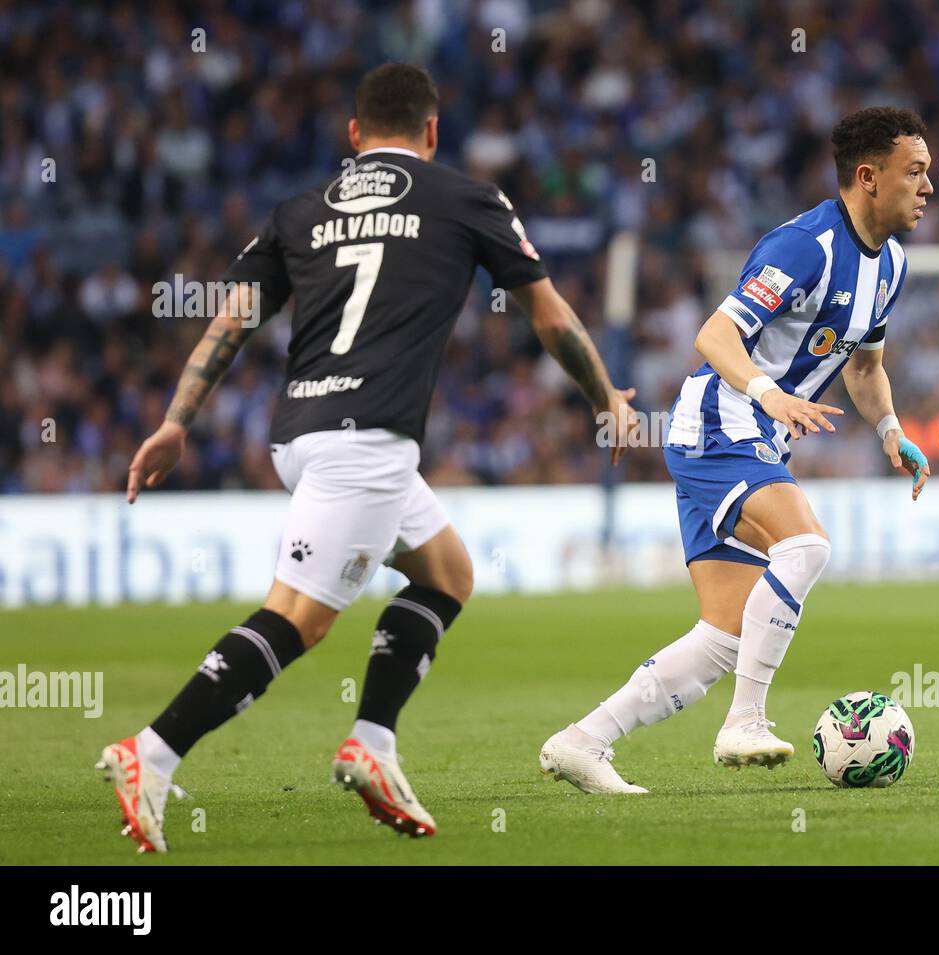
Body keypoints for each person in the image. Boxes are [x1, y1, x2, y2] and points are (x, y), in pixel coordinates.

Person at [99, 63, 636, 850]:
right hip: (370, 438)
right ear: (433, 131)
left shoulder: (300, 210)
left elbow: (229, 323)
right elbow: (548, 316)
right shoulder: (465, 199)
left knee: (447, 571)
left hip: (300, 435)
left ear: (354, 134)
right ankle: (152, 751)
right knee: (299, 619)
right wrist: (607, 399)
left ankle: (374, 744)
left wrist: (178, 420)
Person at [541, 107, 932, 793]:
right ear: (868, 177)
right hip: (721, 419)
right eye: (916, 172)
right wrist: (766, 391)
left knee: (724, 634)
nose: (929, 186)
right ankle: (744, 720)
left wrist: (892, 429)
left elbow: (864, 368)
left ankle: (582, 741)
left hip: (754, 434)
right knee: (806, 547)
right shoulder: (805, 246)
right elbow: (713, 335)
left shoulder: (891, 263)